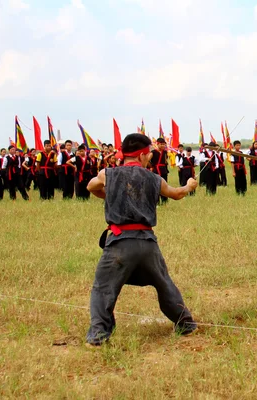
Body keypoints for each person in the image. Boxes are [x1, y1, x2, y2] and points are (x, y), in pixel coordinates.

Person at [85, 134, 199, 346]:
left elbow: (91, 187)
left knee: (103, 288)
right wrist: (190, 186)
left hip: (119, 243)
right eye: (149, 155)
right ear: (142, 154)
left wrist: (109, 194)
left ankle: (99, 336)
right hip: (147, 244)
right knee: (164, 284)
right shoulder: (154, 178)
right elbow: (175, 194)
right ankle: (186, 324)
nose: (150, 159)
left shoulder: (107, 174)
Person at [151, 138, 169, 204]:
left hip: (164, 170)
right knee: (156, 186)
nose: (163, 146)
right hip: (156, 170)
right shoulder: (153, 152)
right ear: (157, 144)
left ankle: (165, 201)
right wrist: (151, 166)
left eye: (164, 144)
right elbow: (148, 160)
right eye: (161, 144)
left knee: (164, 186)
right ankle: (157, 202)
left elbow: (165, 161)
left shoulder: (165, 152)